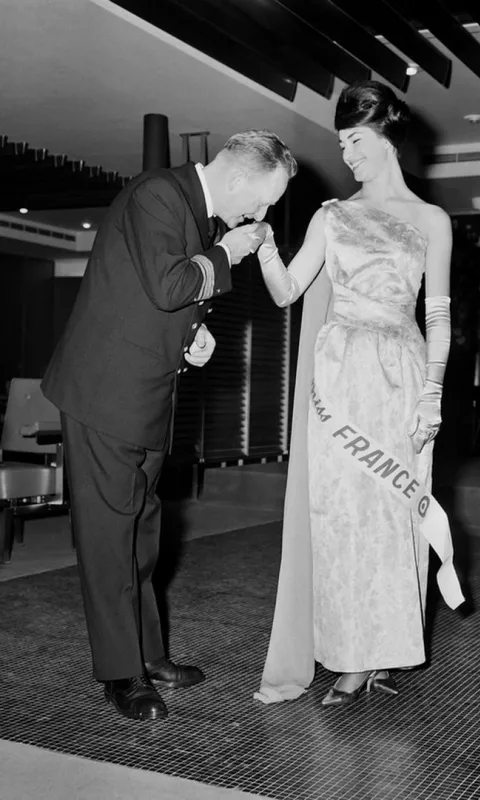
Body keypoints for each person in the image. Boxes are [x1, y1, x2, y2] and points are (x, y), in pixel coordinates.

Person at [42, 130, 297, 721]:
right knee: (110, 540)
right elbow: (168, 284)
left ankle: (149, 654)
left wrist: (192, 337)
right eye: (261, 202)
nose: (259, 216)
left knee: (142, 534)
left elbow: (157, 300)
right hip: (103, 393)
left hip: (147, 395)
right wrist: (229, 253)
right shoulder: (158, 193)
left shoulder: (196, 213)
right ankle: (120, 673)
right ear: (238, 178)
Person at [253, 82, 464, 708]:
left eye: (356, 140)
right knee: (341, 514)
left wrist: (434, 395)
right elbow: (288, 291)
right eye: (341, 142)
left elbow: (440, 317)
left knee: (393, 513)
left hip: (399, 374)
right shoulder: (330, 215)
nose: (347, 154)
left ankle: (386, 649)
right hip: (338, 376)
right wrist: (266, 247)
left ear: (386, 136)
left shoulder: (431, 220)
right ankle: (348, 658)